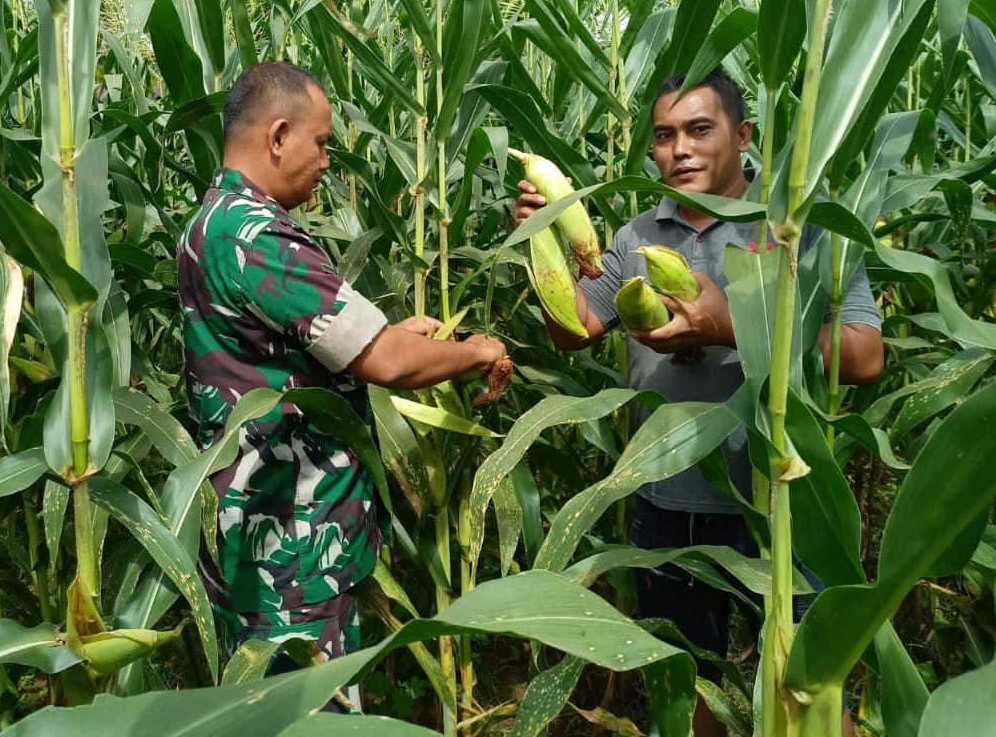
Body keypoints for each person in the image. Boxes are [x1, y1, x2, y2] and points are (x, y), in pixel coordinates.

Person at [514, 69, 883, 737]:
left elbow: (865, 356)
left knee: (814, 692)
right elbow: (571, 330)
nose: (678, 149)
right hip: (668, 510)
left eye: (699, 130)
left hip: (783, 508)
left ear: (742, 136)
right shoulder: (633, 237)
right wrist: (545, 233)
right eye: (663, 136)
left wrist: (732, 325)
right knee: (690, 695)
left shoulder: (792, 228)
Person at [178, 61, 506, 687]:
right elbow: (387, 362)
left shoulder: (211, 222)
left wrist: (390, 335)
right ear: (278, 136)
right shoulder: (260, 238)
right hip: (294, 543)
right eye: (322, 143)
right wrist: (475, 352)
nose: (328, 161)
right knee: (309, 713)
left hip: (242, 530)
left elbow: (291, 346)